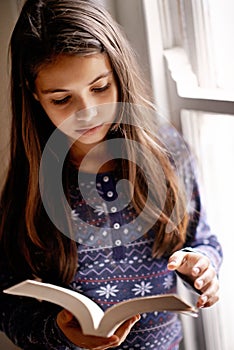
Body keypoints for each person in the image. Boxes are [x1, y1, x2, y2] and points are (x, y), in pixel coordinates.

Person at [0, 0, 222, 349]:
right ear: (35, 97)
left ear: (119, 74)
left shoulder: (167, 153)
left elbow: (205, 241)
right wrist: (57, 331)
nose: (88, 112)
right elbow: (7, 302)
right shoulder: (32, 181)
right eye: (61, 99)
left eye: (100, 88)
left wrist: (204, 267)